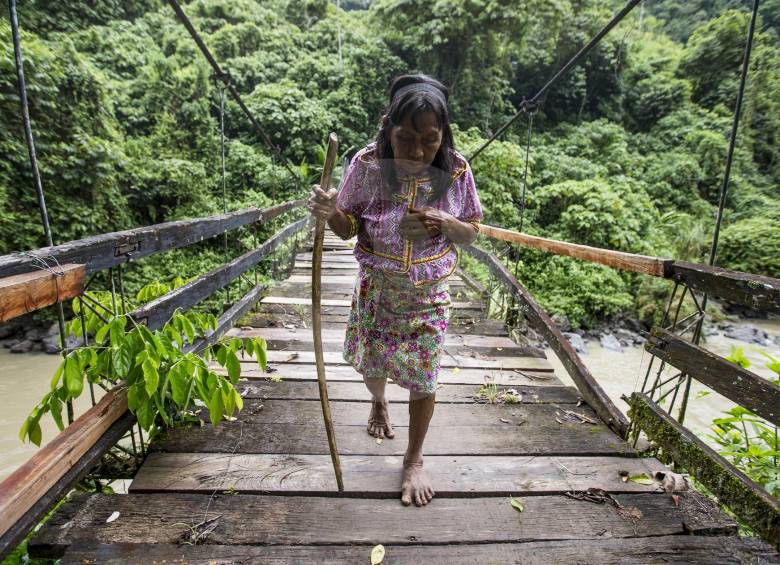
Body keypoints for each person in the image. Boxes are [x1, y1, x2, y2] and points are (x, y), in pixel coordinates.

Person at [307, 73, 483, 507]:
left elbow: (472, 231)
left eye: (430, 139)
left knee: (424, 378)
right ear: (388, 128)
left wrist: (444, 222)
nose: (418, 151)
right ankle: (379, 402)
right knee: (373, 368)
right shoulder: (366, 166)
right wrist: (330, 213)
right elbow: (348, 229)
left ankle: (414, 458)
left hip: (428, 295)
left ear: (443, 136)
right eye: (406, 138)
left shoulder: (456, 169)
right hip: (377, 291)